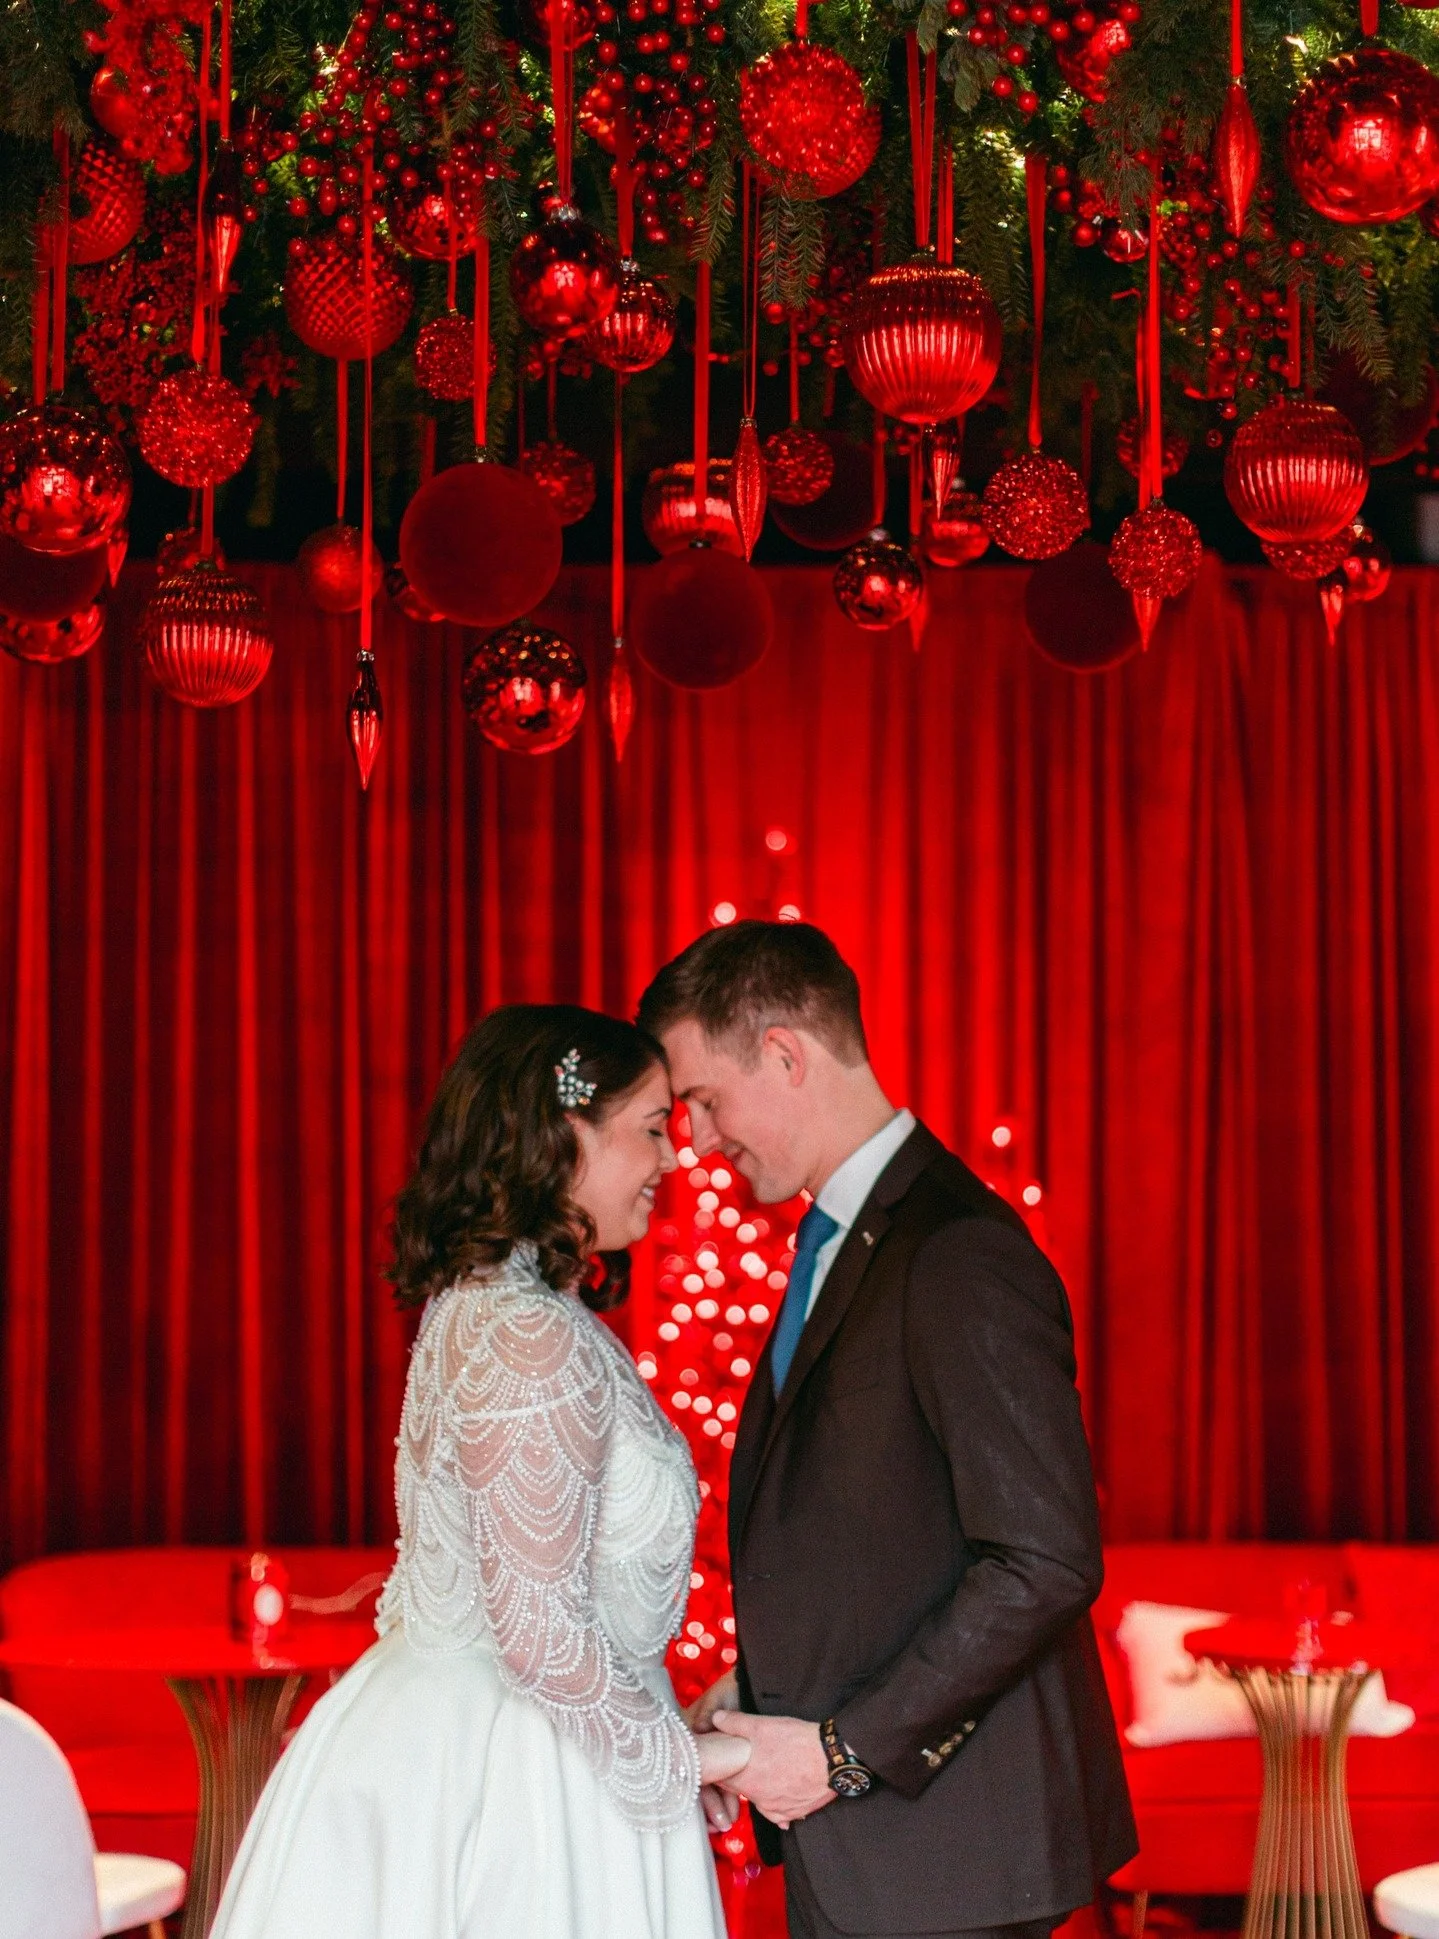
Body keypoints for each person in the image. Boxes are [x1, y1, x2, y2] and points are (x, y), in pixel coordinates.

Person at [638, 923, 1138, 1939]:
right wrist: (762, 1685)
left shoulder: (955, 1250)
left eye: (701, 1098)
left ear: (783, 1054)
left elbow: (1041, 1557)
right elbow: (881, 1536)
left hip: (949, 1857)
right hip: (880, 1851)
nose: (698, 1137)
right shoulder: (841, 1237)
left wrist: (833, 1750)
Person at [210, 1004, 749, 1939]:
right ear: (561, 1134)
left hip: (536, 1746)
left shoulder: (512, 1309)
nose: (672, 1159)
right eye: (652, 1129)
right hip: (519, 1786)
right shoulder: (527, 1330)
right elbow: (537, 1628)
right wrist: (683, 1760)